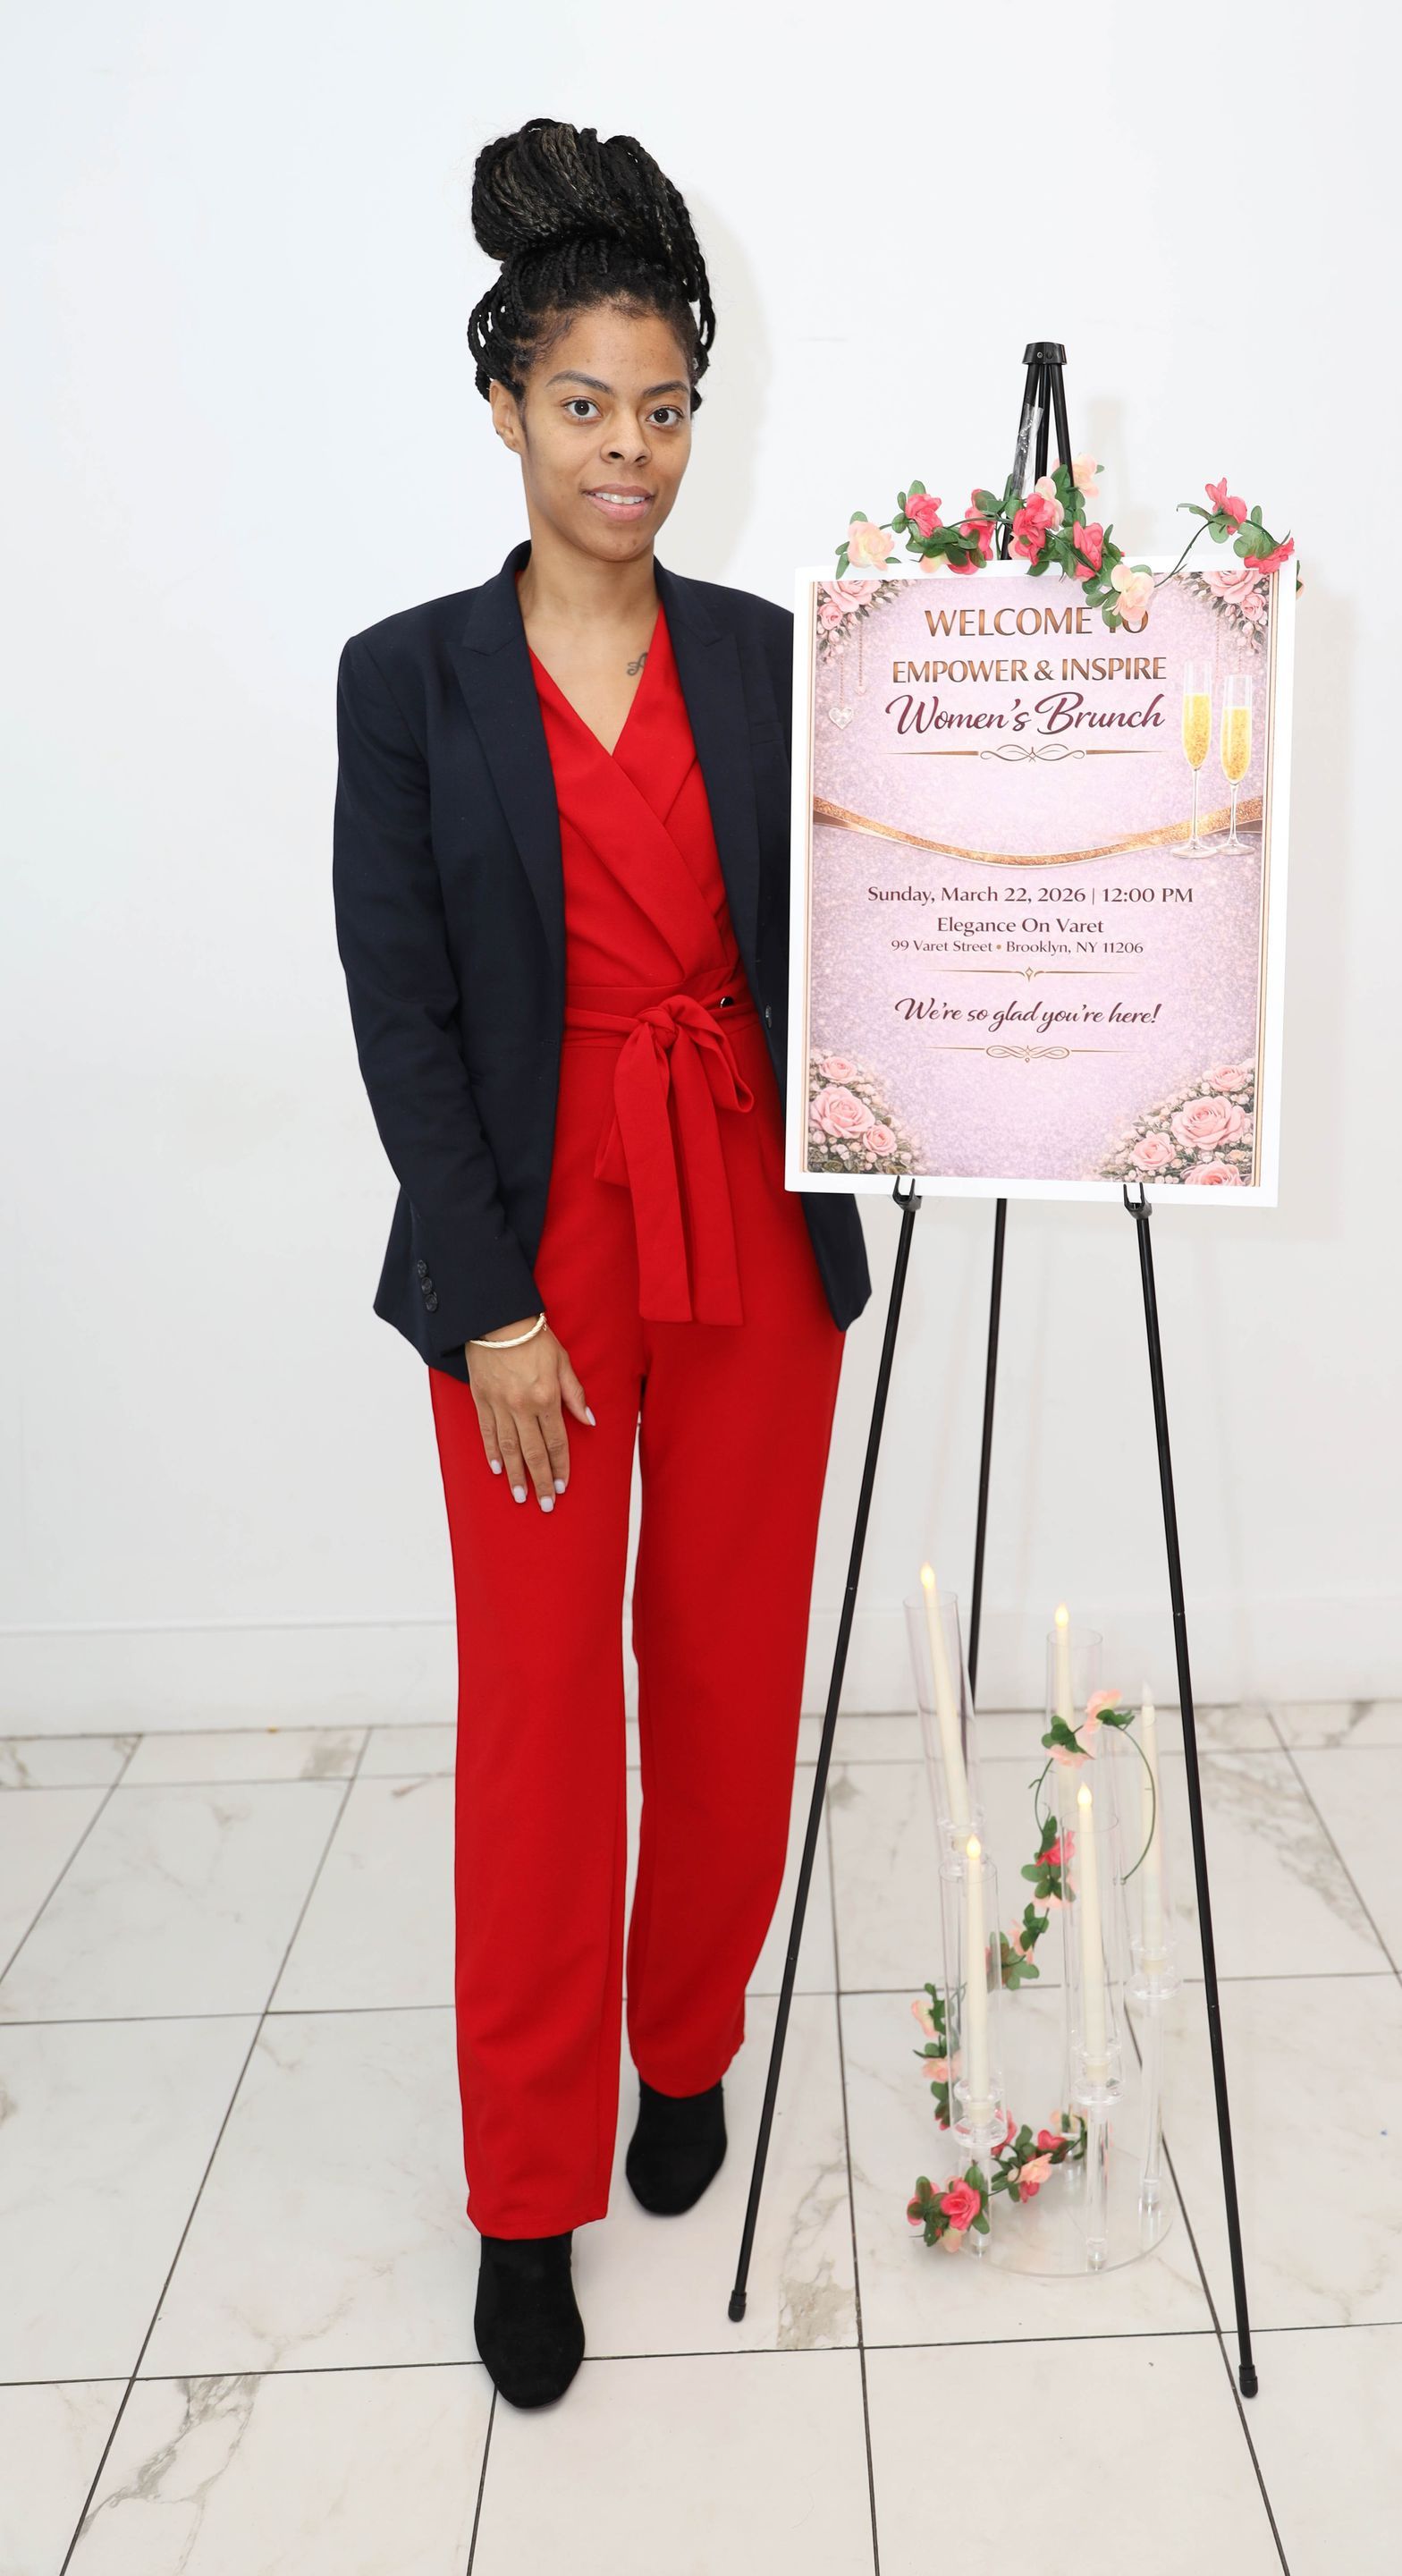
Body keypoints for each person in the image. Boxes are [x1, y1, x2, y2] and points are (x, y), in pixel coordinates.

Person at [329, 117, 870, 2410]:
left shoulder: (778, 658)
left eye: (664, 407)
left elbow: (887, 917)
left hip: (749, 1216)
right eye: (583, 404)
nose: (629, 448)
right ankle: (525, 2193)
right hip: (528, 1249)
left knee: (729, 1680)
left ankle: (685, 2046)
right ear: (504, 410)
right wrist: (490, 1308)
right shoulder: (407, 679)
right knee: (545, 1724)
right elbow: (403, 1010)